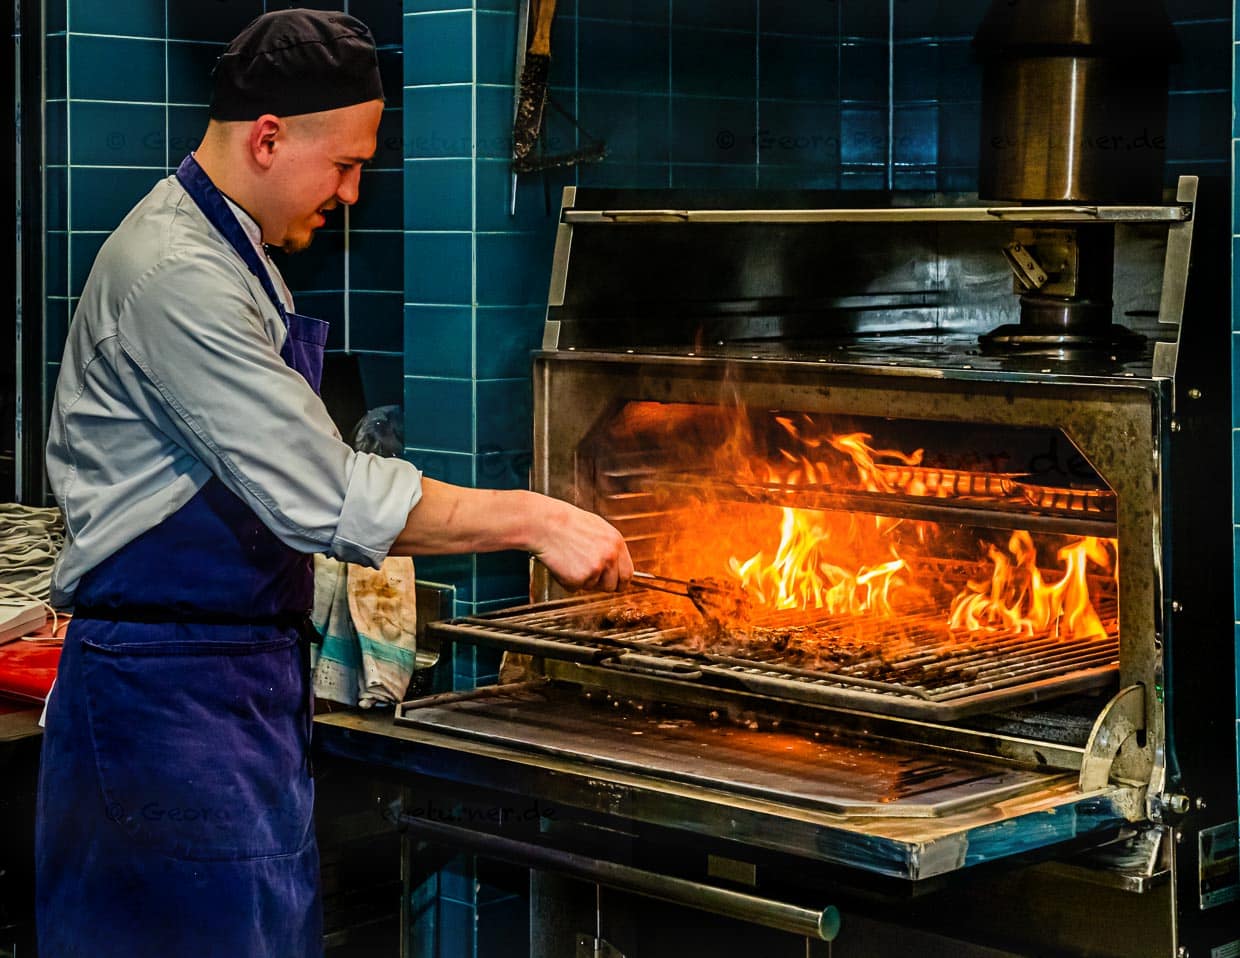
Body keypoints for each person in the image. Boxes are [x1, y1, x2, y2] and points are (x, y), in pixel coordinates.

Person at [36, 9, 631, 957]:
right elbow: (328, 496)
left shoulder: (235, 256)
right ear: (268, 139)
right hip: (166, 703)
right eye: (346, 165)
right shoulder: (176, 275)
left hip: (228, 685)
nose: (352, 193)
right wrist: (535, 517)